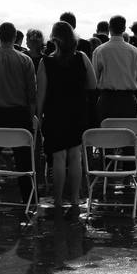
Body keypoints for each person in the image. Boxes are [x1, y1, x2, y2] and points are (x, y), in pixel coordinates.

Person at [0, 21, 37, 206]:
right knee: (24, 163)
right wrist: (30, 117)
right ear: (14, 37)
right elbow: (31, 94)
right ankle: (29, 200)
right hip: (19, 115)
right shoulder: (25, 60)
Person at [37, 21, 97, 207]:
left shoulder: (46, 61)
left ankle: (57, 200)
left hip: (55, 113)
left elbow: (41, 94)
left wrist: (38, 117)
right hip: (77, 111)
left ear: (54, 39)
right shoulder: (82, 58)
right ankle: (74, 199)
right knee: (75, 156)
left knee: (58, 157)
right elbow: (93, 84)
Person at [92, 15, 137, 121]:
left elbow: (95, 77)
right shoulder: (135, 51)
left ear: (109, 28)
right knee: (127, 134)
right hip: (128, 100)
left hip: (107, 99)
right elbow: (136, 77)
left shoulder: (100, 50)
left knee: (106, 134)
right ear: (124, 29)